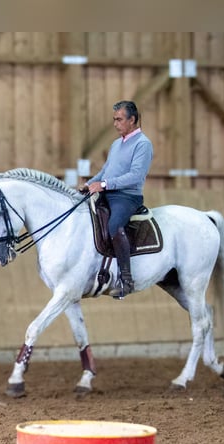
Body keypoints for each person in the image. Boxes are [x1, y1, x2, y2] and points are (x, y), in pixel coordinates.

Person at [82, 100, 153, 299]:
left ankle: (126, 278)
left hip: (127, 196)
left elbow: (135, 176)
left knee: (114, 226)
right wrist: (90, 184)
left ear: (132, 120)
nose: (115, 124)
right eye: (114, 120)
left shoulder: (143, 144)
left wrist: (103, 185)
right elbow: (105, 172)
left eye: (119, 119)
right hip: (109, 192)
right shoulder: (116, 144)